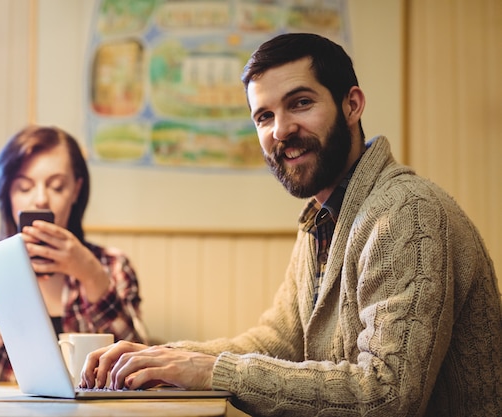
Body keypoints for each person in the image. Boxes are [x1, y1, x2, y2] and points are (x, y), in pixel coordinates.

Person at [80, 33, 502, 416]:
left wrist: (212, 371)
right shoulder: (325, 217)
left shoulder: (405, 212)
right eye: (264, 116)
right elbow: (279, 342)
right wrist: (163, 358)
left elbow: (387, 395)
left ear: (352, 104)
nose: (281, 130)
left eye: (300, 103)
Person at [0, 125, 148, 384]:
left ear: (76, 191)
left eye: (56, 186)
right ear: (7, 193)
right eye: (24, 187)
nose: (40, 199)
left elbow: (138, 371)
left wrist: (93, 276)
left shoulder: (112, 266)